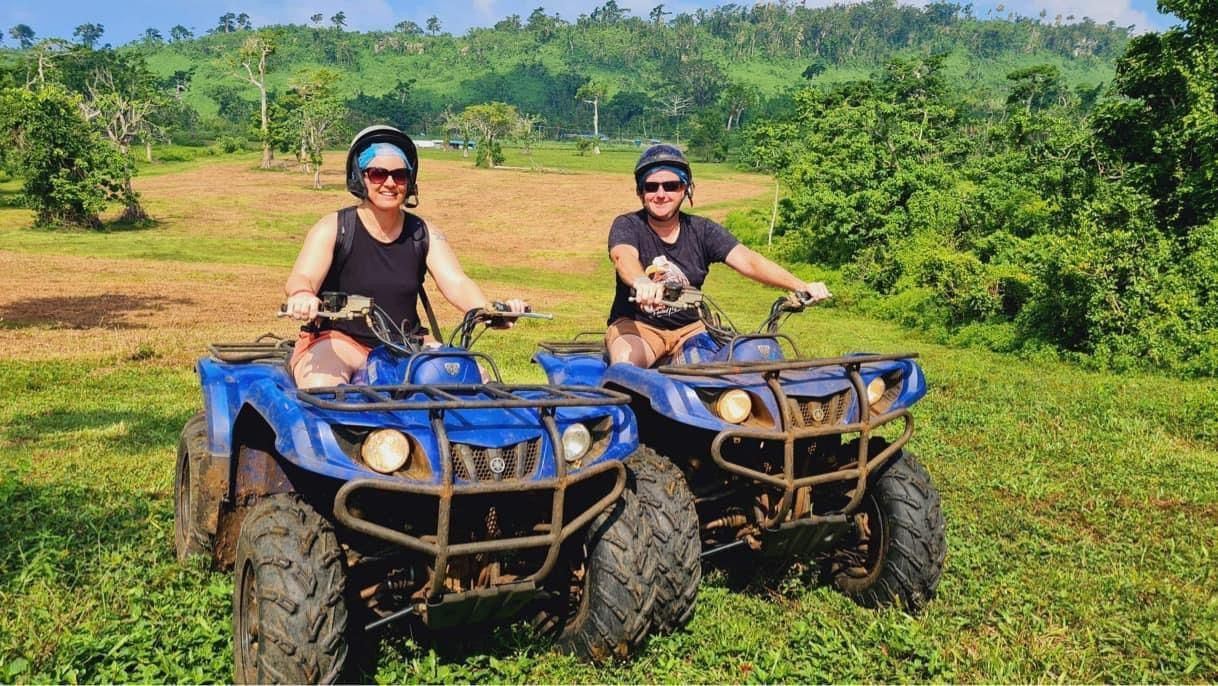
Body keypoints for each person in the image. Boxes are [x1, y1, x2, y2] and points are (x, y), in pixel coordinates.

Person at [283, 125, 527, 388]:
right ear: (359, 177)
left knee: (475, 378)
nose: (389, 183)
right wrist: (302, 296)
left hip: (407, 342)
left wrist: (489, 311)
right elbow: (303, 276)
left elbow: (456, 282)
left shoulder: (423, 233)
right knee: (322, 388)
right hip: (339, 341)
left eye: (399, 175)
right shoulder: (335, 228)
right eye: (377, 174)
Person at [606, 144, 831, 367]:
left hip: (691, 330)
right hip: (639, 327)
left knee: (719, 376)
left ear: (686, 189)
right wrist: (642, 281)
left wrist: (800, 285)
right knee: (626, 368)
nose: (661, 194)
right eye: (651, 187)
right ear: (640, 192)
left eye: (671, 185)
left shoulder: (702, 230)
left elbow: (749, 261)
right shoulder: (628, 225)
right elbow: (623, 257)